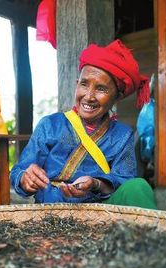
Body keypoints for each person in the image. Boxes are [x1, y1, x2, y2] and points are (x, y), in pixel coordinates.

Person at [10, 39, 157, 209]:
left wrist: (95, 184)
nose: (89, 96)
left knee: (138, 186)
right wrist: (24, 177)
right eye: (84, 84)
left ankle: (150, 235)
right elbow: (19, 170)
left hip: (99, 213)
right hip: (50, 210)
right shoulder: (50, 125)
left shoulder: (122, 135)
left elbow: (124, 179)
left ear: (117, 97)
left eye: (101, 89)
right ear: (76, 85)